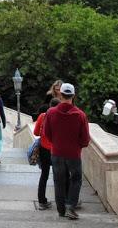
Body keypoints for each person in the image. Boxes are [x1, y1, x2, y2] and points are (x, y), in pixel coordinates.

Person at [43, 83, 90, 220]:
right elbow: (85, 139)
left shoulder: (51, 113)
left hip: (57, 152)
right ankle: (71, 206)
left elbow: (47, 133)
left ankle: (61, 210)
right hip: (74, 154)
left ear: (60, 95)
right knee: (76, 179)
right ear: (73, 96)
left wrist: (56, 143)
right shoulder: (80, 115)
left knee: (59, 180)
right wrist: (78, 146)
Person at [34, 98, 60, 210]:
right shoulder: (60, 117)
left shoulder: (42, 116)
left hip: (44, 149)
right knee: (59, 176)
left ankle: (42, 201)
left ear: (49, 105)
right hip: (56, 150)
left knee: (44, 175)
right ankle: (61, 201)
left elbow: (35, 132)